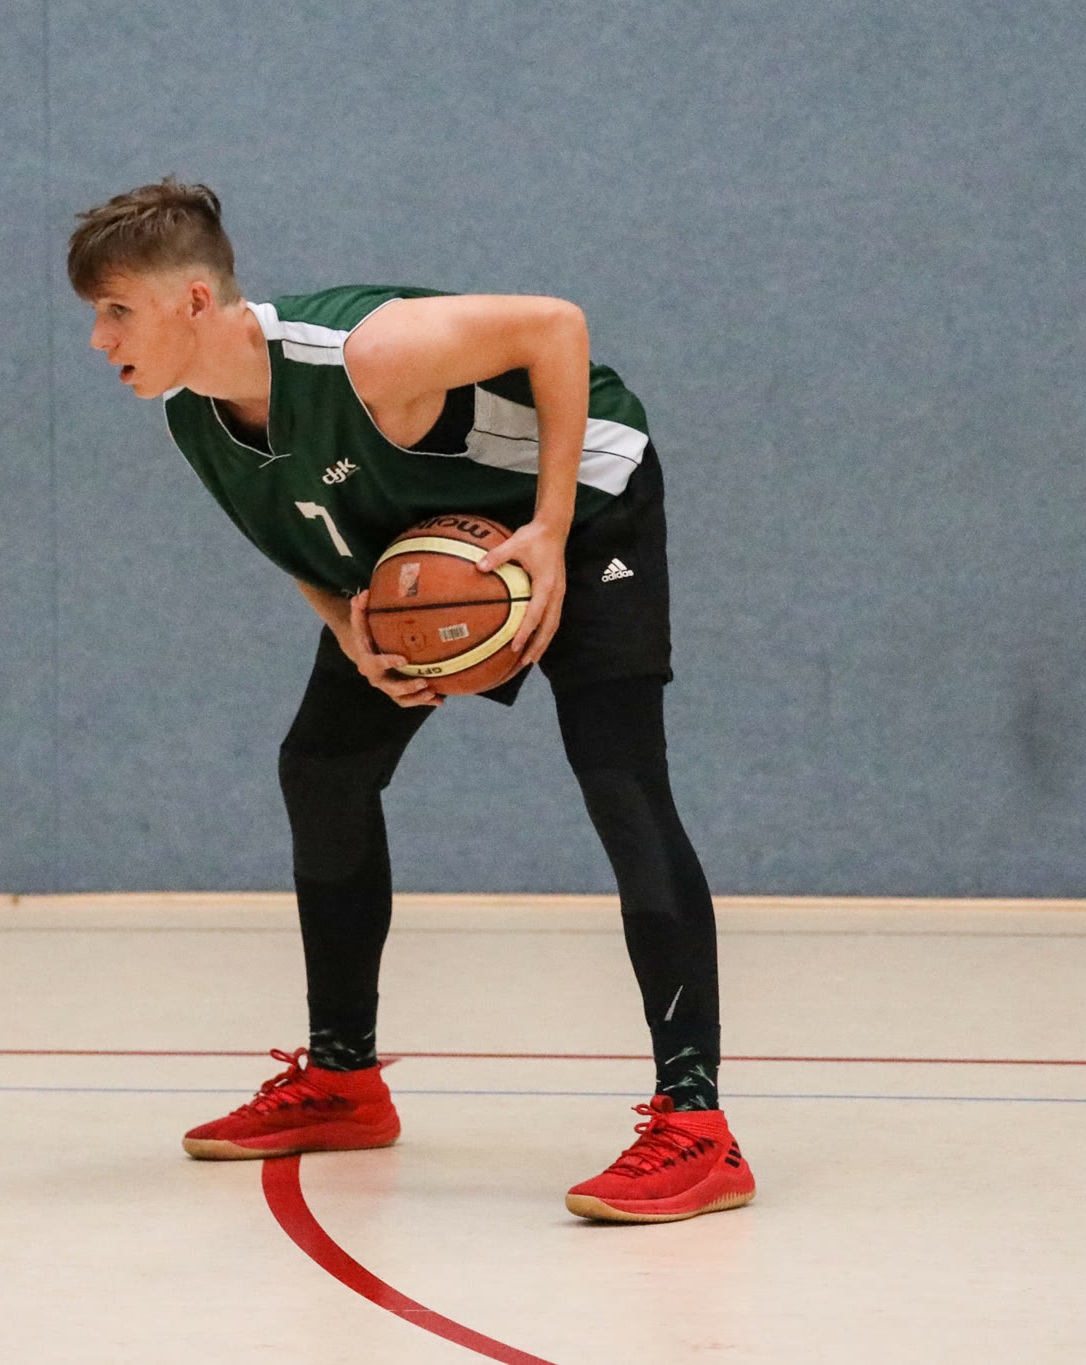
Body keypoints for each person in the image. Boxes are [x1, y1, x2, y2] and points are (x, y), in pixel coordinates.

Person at [68, 179, 753, 1223]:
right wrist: (353, 629)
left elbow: (556, 327)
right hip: (427, 542)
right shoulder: (191, 415)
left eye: (115, 310)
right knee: (322, 769)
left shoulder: (363, 358)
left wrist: (551, 529)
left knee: (619, 778)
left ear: (194, 301)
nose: (98, 338)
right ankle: (343, 1080)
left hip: (586, 505)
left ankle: (697, 1126)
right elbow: (298, 531)